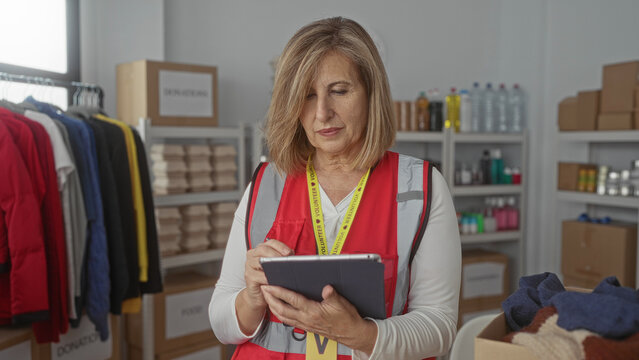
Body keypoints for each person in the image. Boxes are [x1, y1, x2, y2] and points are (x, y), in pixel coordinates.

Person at [209, 16, 461, 360]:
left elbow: (439, 328)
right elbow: (221, 323)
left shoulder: (420, 188)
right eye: (307, 96)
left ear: (371, 94)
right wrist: (250, 298)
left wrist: (361, 335)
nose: (322, 113)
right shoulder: (267, 182)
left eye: (339, 91)